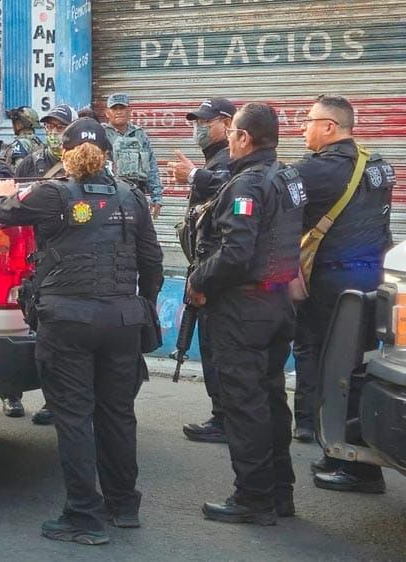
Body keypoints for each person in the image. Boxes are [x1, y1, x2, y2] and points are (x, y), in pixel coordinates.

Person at [0, 118, 163, 544]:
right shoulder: (133, 197)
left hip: (68, 320)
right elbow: (153, 262)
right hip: (123, 320)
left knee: (73, 417)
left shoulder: (52, 193)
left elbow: (3, 213)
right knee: (118, 414)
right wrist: (143, 307)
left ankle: (84, 516)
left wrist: (3, 193)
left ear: (65, 153)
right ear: (107, 153)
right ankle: (123, 506)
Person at [188, 103, 306, 525]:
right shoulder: (288, 177)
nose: (229, 137)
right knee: (271, 398)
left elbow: (236, 253)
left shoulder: (247, 184)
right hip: (276, 304)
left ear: (244, 137)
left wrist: (200, 280)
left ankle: (254, 498)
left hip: (245, 307)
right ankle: (279, 493)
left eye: (233, 131)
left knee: (246, 404)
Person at [293, 95, 393, 492]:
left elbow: (270, 194)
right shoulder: (378, 166)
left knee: (330, 370)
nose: (303, 128)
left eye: (309, 120)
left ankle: (357, 467)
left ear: (330, 127)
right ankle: (343, 454)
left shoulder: (318, 171)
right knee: (361, 370)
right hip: (374, 282)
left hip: (332, 286)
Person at [168, 98, 236, 444]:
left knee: (217, 348)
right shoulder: (215, 158)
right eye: (196, 121)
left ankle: (226, 418)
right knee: (209, 345)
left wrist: (195, 175)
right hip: (205, 266)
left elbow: (226, 186)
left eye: (205, 121)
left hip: (216, 273)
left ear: (226, 122)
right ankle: (221, 414)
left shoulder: (232, 157)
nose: (199, 128)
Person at [103, 93, 163, 218]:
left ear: (129, 111)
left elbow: (151, 167)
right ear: (107, 113)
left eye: (122, 108)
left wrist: (156, 197)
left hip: (137, 194)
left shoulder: (140, 135)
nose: (119, 112)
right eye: (114, 109)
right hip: (110, 196)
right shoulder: (101, 134)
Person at [15, 104, 77, 179]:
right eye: (49, 127)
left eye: (60, 127)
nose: (53, 132)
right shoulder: (30, 163)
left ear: (74, 130)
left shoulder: (84, 163)